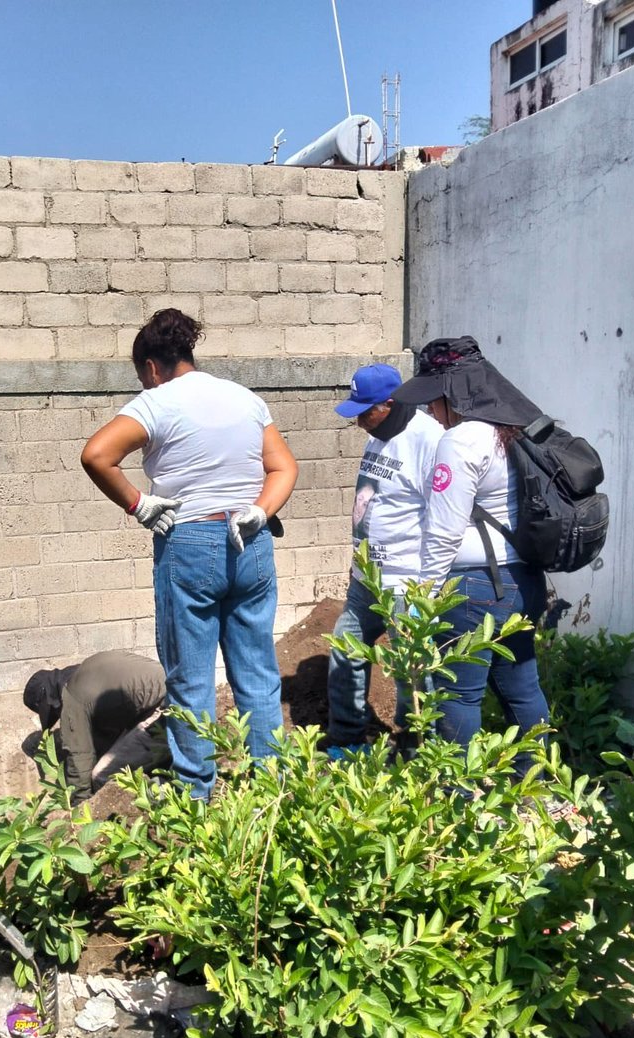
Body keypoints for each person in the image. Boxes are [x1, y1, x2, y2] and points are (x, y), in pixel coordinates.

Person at [80, 308, 299, 797]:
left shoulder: (157, 403)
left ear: (152, 367)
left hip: (191, 542)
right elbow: (284, 467)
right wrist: (260, 511)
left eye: (143, 375)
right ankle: (274, 789)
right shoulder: (244, 399)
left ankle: (197, 796)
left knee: (191, 680)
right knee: (258, 672)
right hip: (252, 543)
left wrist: (138, 504)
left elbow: (96, 455)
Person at [391, 337, 549, 760]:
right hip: (523, 581)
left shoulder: (461, 440)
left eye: (433, 400)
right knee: (522, 687)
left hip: (473, 590)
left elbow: (444, 531)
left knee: (458, 695)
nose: (429, 411)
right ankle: (536, 788)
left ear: (452, 395)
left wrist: (422, 599)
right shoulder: (512, 427)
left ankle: (455, 800)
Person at [327, 363, 443, 752]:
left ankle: (415, 749)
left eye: (366, 411)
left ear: (391, 403)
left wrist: (427, 587)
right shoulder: (377, 434)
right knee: (345, 649)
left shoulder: (429, 440)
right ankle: (347, 741)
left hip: (407, 582)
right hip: (367, 579)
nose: (359, 421)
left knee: (412, 671)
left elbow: (445, 514)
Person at [23, 650, 169, 801]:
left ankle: (161, 805)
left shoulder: (72, 697)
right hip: (180, 693)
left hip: (167, 708)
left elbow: (80, 759)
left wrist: (80, 807)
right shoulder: (89, 671)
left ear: (51, 701)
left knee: (103, 776)